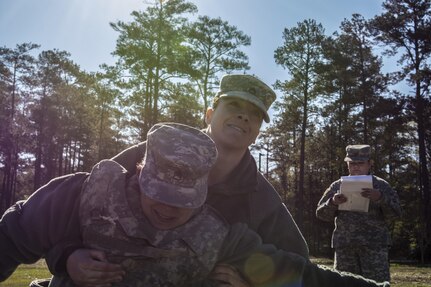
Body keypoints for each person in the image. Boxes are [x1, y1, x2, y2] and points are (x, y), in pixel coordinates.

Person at [1, 123, 390, 287]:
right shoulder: (79, 195)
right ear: (140, 170)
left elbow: (305, 276)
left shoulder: (219, 235)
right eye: (159, 192)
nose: (169, 209)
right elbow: (11, 236)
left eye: (183, 200)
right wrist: (66, 256)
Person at [60, 74, 310, 286]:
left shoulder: (260, 196)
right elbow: (73, 208)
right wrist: (68, 256)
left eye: (255, 114)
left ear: (257, 133)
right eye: (234, 105)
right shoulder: (153, 152)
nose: (244, 117)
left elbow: (297, 263)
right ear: (209, 114)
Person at [316, 144, 402, 282]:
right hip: (346, 248)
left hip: (374, 248)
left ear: (369, 164)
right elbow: (321, 214)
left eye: (360, 163)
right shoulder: (337, 186)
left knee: (377, 284)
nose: (355, 167)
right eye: (352, 163)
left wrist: (380, 198)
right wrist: (332, 202)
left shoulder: (381, 186)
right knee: (344, 285)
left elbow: (396, 214)